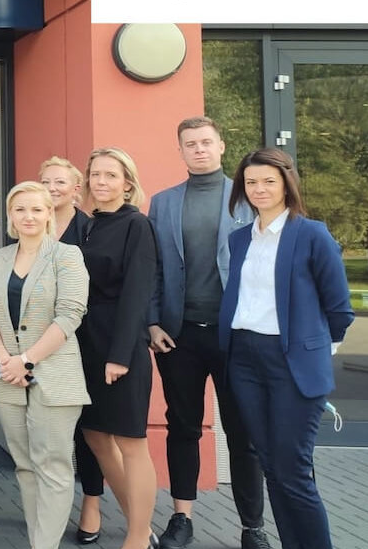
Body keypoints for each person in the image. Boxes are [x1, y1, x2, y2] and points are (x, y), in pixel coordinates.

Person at [220, 148, 354, 549]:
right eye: (251, 182)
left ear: (286, 184)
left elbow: (339, 308)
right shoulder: (239, 239)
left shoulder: (311, 234)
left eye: (268, 181)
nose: (259, 189)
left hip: (292, 361)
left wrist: (316, 350)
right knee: (272, 469)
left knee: (292, 470)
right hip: (244, 360)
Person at [147, 118, 268, 549]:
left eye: (205, 142)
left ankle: (253, 528)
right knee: (183, 428)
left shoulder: (247, 197)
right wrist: (152, 322)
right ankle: (182, 519)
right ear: (180, 151)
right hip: (178, 337)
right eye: (190, 144)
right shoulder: (163, 203)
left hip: (235, 336)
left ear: (221, 146)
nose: (198, 149)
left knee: (243, 433)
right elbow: (154, 268)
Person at [0, 181, 90, 549]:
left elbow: (70, 314)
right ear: (10, 215)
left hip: (55, 375)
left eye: (37, 209)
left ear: (49, 214)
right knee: (25, 466)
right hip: (7, 377)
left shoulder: (66, 255)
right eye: (20, 209)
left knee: (53, 467)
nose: (29, 216)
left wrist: (27, 360)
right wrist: (5, 359)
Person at [76, 147, 158, 549]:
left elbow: (137, 293)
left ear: (127, 183)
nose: (101, 181)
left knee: (131, 442)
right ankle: (139, 524)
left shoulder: (136, 224)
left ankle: (138, 538)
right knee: (94, 435)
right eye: (96, 174)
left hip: (118, 347)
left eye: (111, 175)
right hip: (85, 346)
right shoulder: (89, 226)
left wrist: (120, 355)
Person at [38, 156, 102, 543]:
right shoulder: (31, 226)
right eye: (45, 181)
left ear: (76, 189)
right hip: (39, 344)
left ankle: (91, 503)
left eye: (60, 182)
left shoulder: (91, 230)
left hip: (85, 340)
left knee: (86, 428)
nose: (52, 188)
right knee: (47, 433)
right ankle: (50, 509)